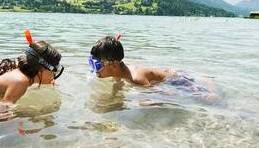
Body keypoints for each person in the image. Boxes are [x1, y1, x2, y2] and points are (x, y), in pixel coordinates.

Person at [88, 35, 220, 102]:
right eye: (91, 63)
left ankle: (210, 82)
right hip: (167, 73)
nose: (94, 70)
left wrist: (145, 102)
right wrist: (111, 99)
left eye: (97, 65)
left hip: (176, 79)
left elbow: (162, 93)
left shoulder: (137, 78)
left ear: (113, 64)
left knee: (209, 98)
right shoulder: (118, 71)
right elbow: (117, 86)